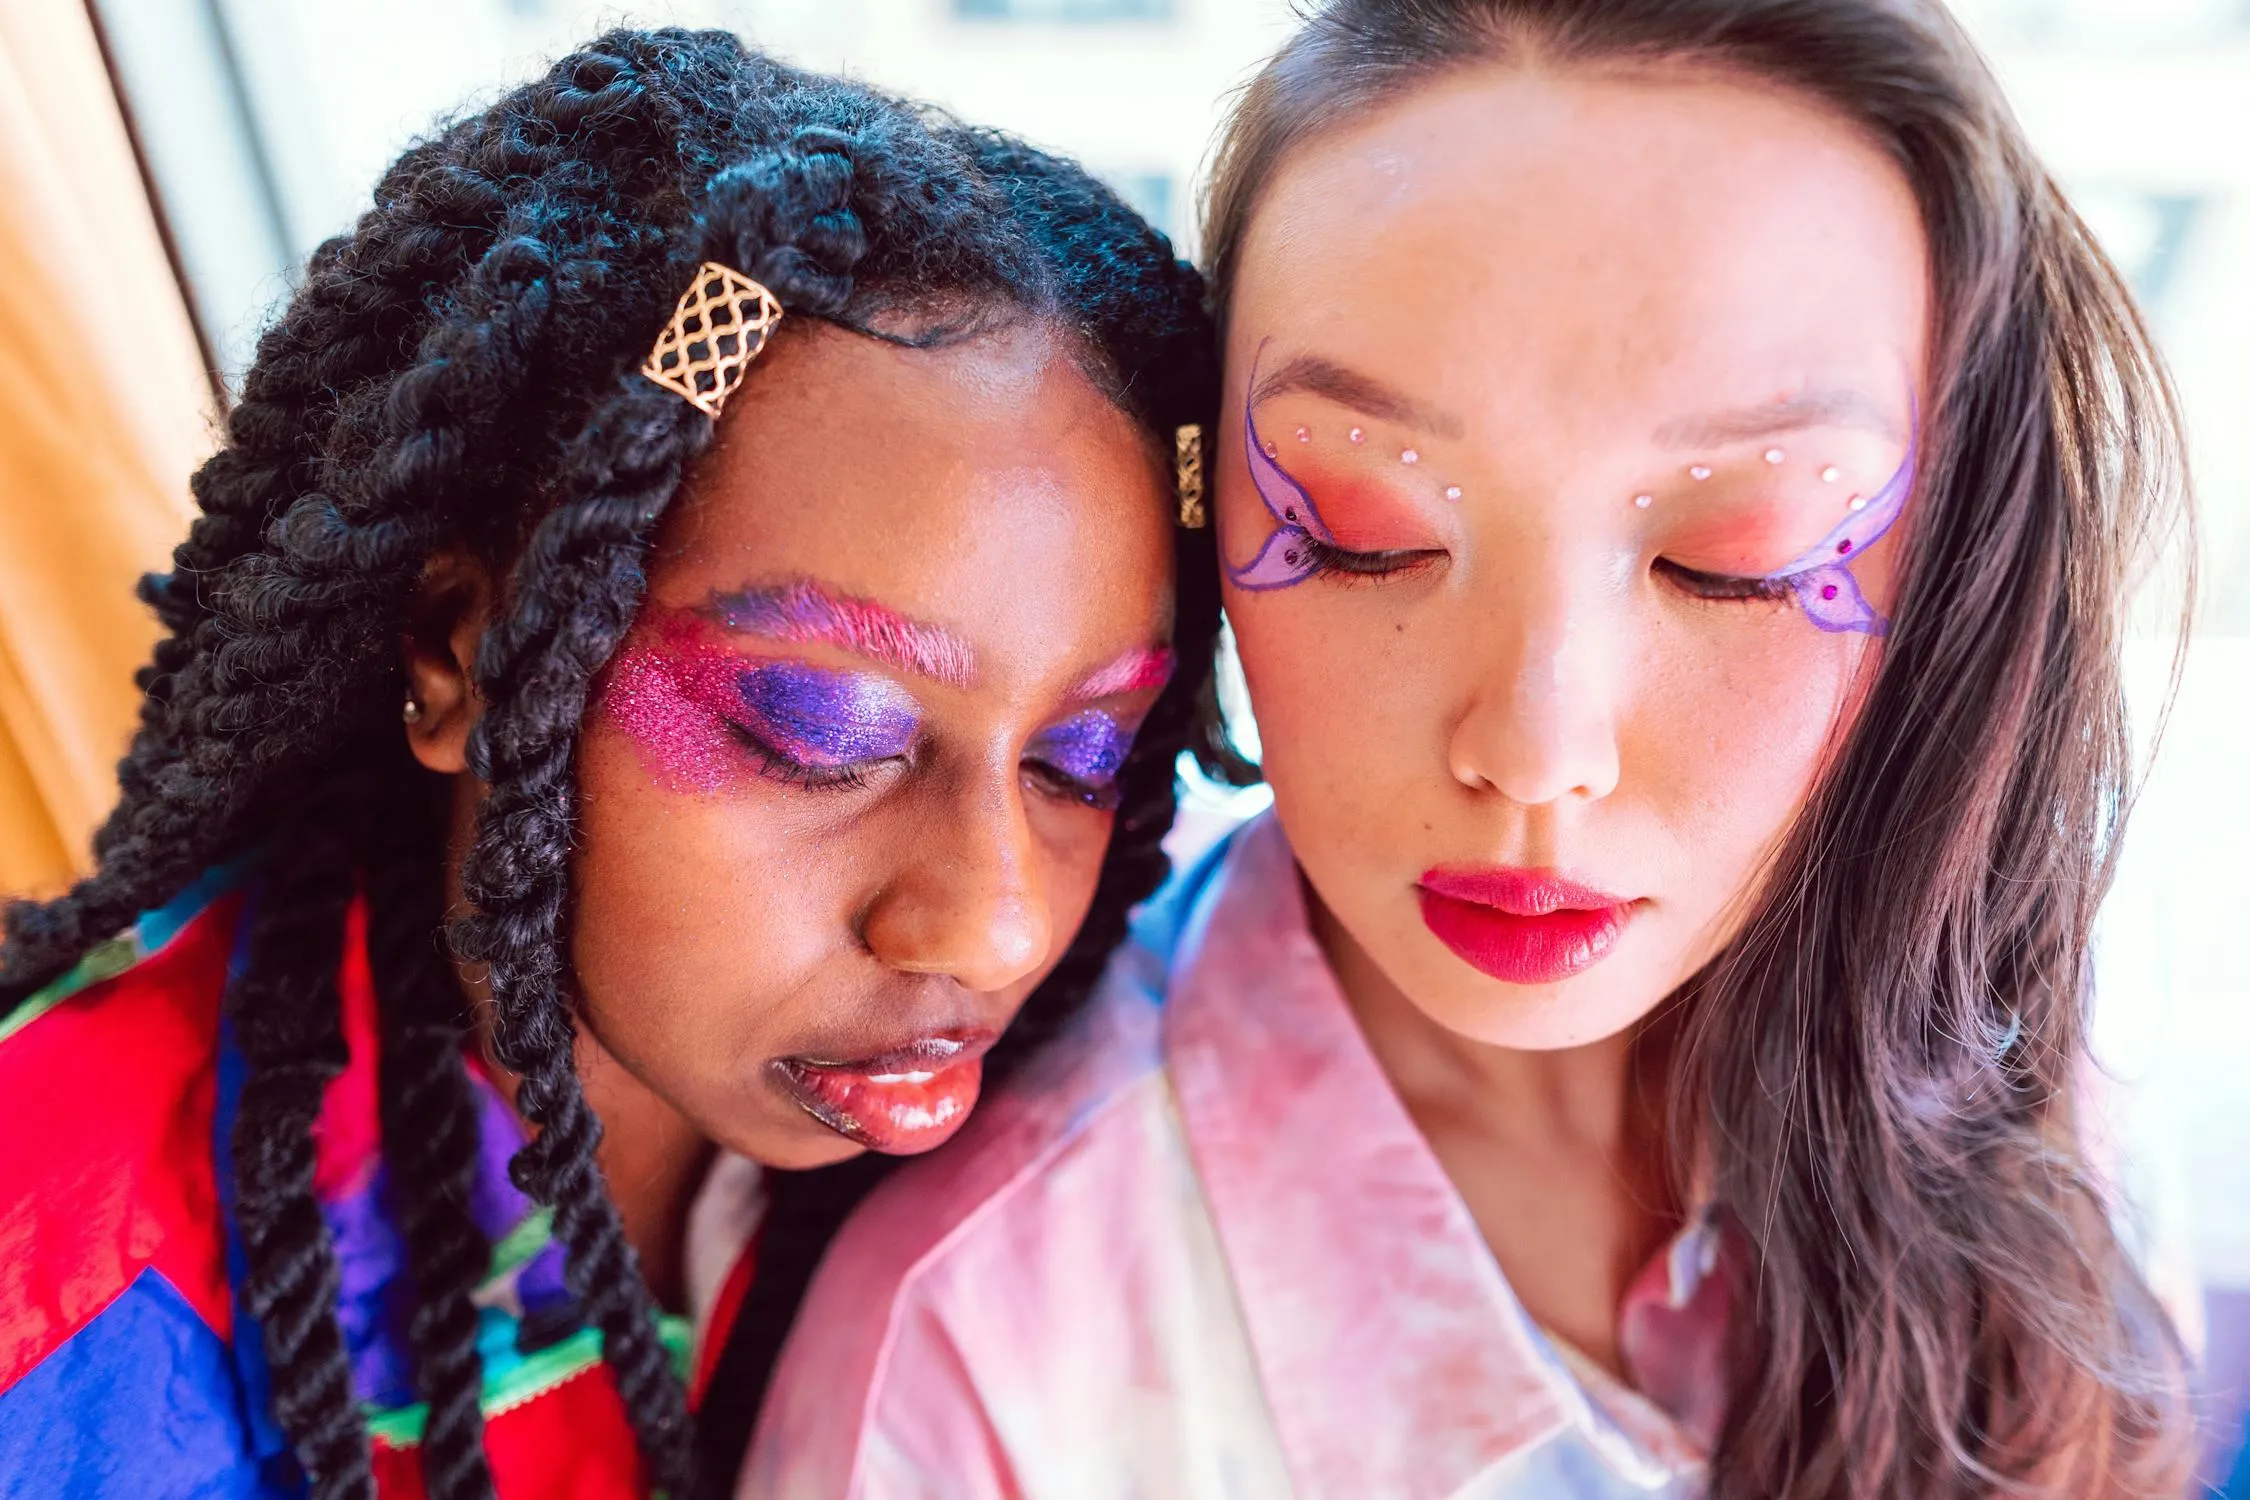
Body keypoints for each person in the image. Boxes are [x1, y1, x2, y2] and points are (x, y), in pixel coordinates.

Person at [748, 1, 2197, 1495]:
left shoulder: (2025, 1049)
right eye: (1362, 534)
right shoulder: (978, 1353)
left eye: (1739, 560)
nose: (1533, 752)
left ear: (1957, 555)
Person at [0, 27, 1221, 1500]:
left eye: (1082, 759)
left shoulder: (1117, 1103)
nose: (994, 921)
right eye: (818, 736)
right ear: (461, 651)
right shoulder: (58, 1271)